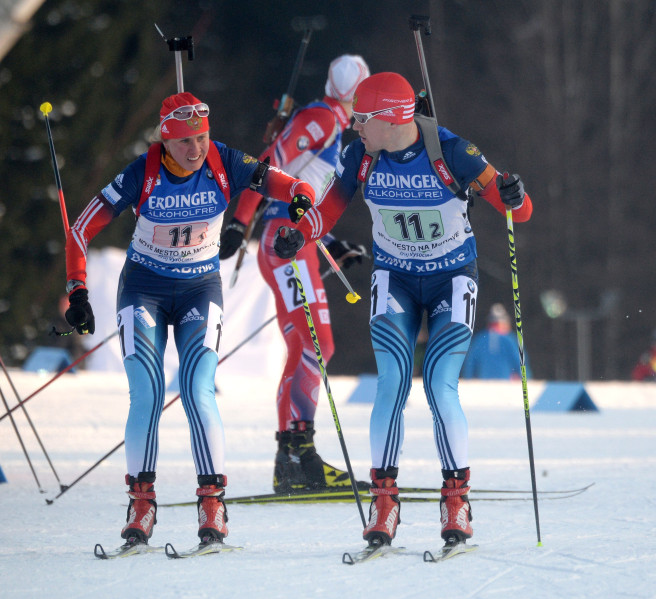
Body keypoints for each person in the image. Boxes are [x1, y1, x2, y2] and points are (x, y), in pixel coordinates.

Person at [273, 72, 533, 548]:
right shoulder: (362, 155)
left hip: (452, 278)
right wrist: (301, 232)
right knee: (391, 381)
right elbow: (328, 207)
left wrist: (512, 194)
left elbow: (519, 207)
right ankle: (384, 502)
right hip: (393, 279)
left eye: (362, 119)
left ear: (391, 120)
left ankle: (456, 498)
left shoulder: (452, 151)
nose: (354, 127)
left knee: (438, 384)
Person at [63, 91, 315, 549]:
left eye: (201, 137)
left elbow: (285, 183)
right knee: (147, 391)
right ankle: (141, 504)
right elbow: (81, 228)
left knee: (199, 390)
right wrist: (77, 290)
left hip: (201, 289)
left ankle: (212, 503)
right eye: (185, 142)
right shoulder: (142, 171)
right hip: (144, 289)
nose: (196, 149)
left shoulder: (224, 160)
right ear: (165, 139)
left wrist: (299, 197)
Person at [219, 55, 371, 494]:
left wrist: (331, 241)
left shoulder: (335, 124)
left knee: (310, 344)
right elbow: (270, 160)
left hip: (298, 240)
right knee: (314, 344)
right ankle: (296, 459)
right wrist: (239, 219)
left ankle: (294, 459)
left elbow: (307, 192)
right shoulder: (321, 118)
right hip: (283, 242)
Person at [461, 303, 531, 379]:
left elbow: (469, 365)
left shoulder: (479, 339)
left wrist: (468, 381)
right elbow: (520, 362)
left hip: (483, 385)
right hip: (506, 385)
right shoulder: (509, 339)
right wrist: (526, 379)